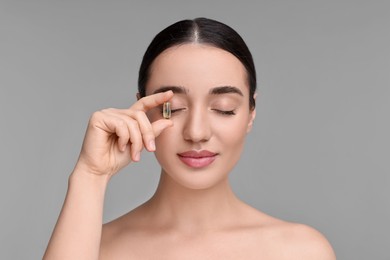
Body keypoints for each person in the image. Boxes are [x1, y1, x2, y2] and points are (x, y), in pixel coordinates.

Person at [44, 17, 336, 259]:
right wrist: (90, 176)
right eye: (173, 108)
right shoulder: (94, 249)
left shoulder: (300, 251)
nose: (196, 133)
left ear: (250, 114)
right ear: (143, 111)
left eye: (224, 109)